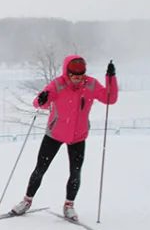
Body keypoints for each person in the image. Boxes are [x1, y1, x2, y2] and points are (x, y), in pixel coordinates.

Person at [10, 56, 118, 221]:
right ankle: (26, 201)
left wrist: (111, 78)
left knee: (75, 173)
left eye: (80, 75)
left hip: (78, 136)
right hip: (54, 134)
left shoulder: (91, 84)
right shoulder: (58, 84)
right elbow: (39, 103)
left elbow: (110, 98)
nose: (77, 79)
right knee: (40, 169)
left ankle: (69, 206)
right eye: (74, 75)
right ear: (67, 72)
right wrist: (42, 99)